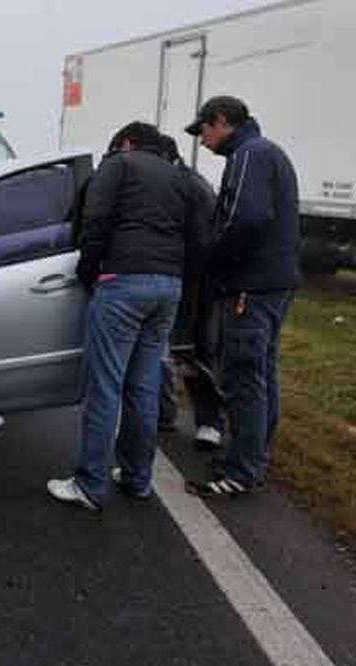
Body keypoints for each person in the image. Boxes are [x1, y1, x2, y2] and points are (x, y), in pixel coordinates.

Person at [48, 122, 206, 510]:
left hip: (123, 283)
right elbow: (198, 237)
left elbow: (94, 220)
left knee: (105, 387)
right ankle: (138, 478)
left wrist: (89, 271)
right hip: (167, 288)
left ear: (128, 143)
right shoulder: (181, 178)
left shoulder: (119, 166)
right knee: (144, 386)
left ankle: (89, 484)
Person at [183, 96, 301, 497]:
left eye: (203, 130)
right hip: (274, 284)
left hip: (250, 286)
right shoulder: (268, 153)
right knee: (262, 373)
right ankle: (251, 457)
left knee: (243, 378)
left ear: (221, 121)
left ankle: (241, 470)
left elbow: (245, 217)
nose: (203, 140)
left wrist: (213, 259)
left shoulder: (249, 154)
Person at [153, 134, 226, 449]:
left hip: (198, 283)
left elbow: (200, 243)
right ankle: (164, 414)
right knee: (165, 349)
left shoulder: (189, 186)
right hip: (181, 278)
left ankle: (210, 422)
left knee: (197, 349)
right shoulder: (180, 182)